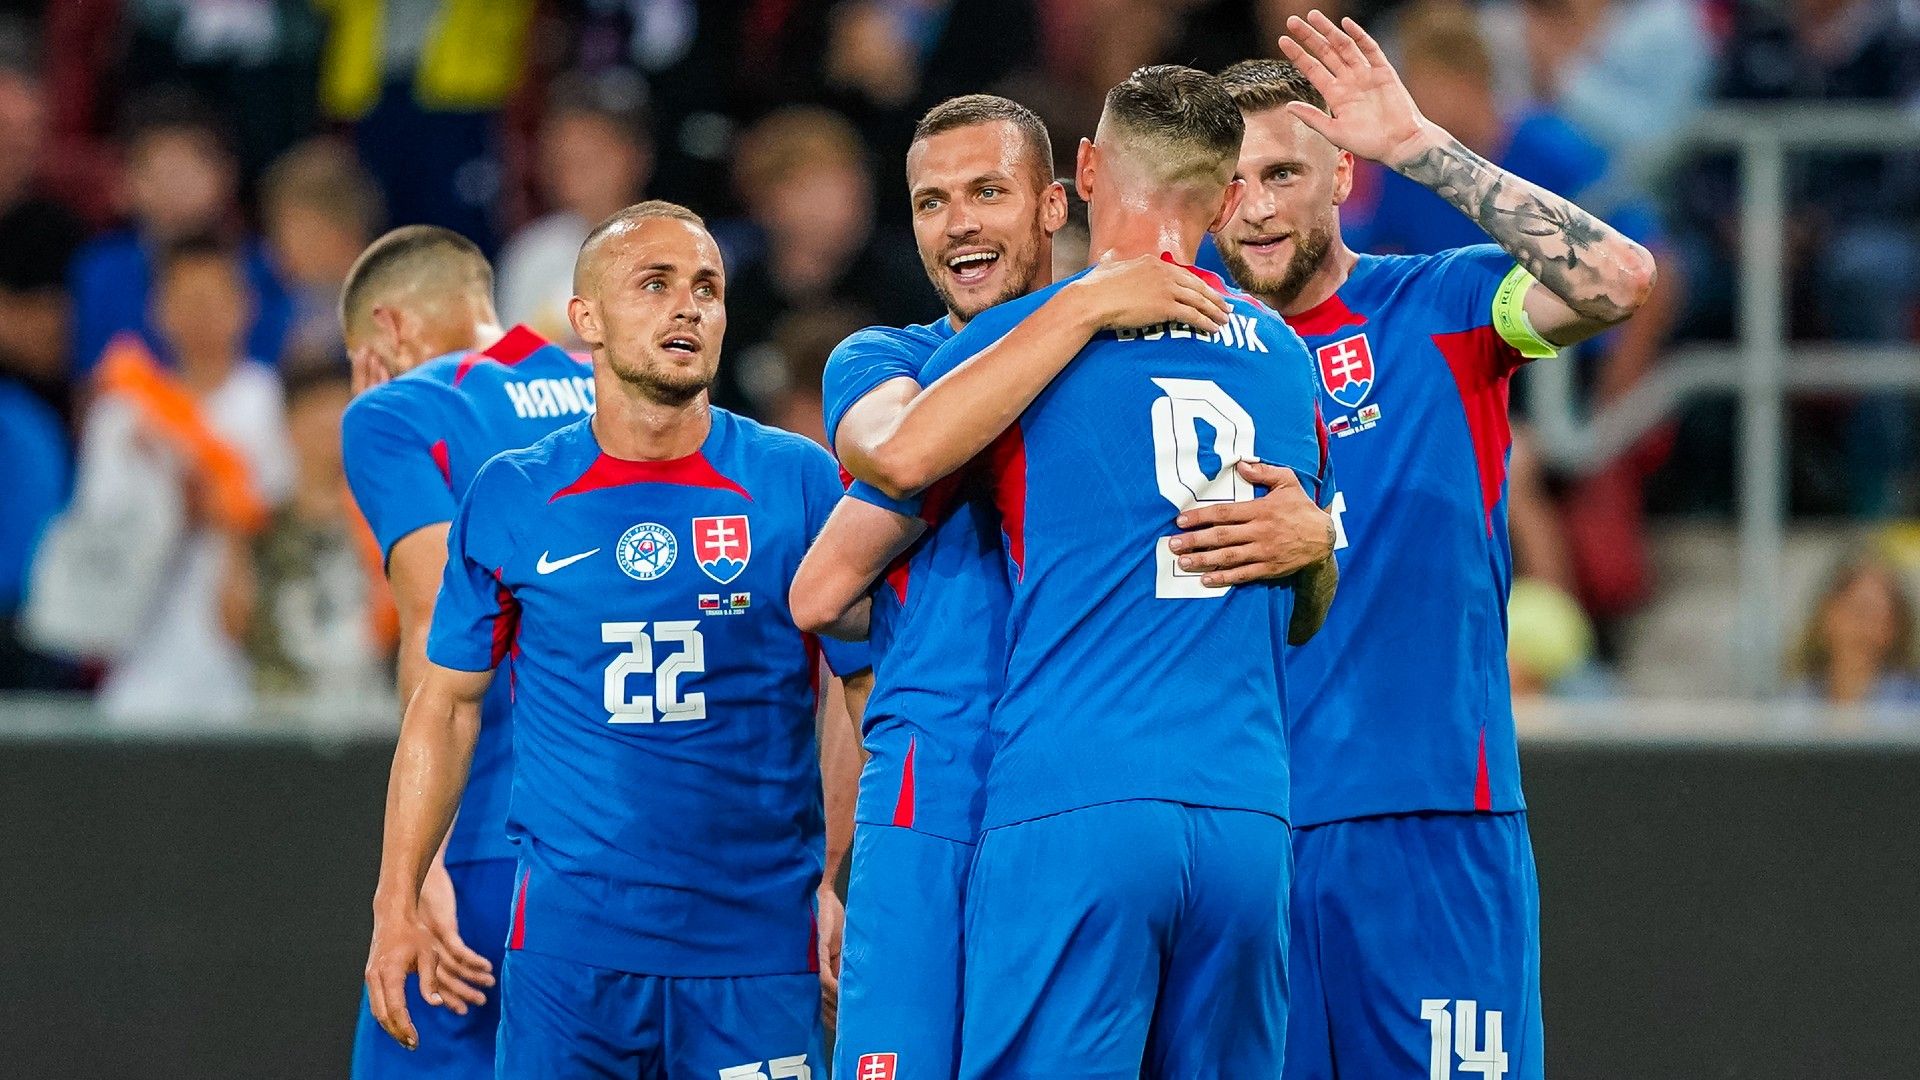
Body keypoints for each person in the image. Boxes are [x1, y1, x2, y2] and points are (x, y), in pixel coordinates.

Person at [792, 91, 1338, 1080]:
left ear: (1061, 198)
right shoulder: (898, 359)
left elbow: (830, 585)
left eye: (986, 192)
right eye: (928, 203)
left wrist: (1314, 547)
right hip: (947, 791)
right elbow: (844, 546)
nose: (957, 222)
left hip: (1058, 793)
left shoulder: (1073, 358)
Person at [1198, 17, 1656, 1079]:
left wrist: (1420, 144)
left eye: (1281, 171)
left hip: (1429, 815)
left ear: (1342, 173)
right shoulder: (1171, 357)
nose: (1257, 206)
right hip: (1240, 839)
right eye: (1229, 180)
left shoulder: (1438, 304)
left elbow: (1618, 281)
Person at [363, 202, 870, 1077]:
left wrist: (826, 874)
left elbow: (861, 690)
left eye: (707, 288)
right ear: (585, 319)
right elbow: (443, 706)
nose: (689, 307)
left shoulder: (799, 481)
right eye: (655, 284)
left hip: (752, 952)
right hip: (569, 959)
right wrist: (396, 896)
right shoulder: (515, 493)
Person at [337, 224, 599, 1078]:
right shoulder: (614, 390)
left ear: (390, 329)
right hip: (628, 840)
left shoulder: (399, 409)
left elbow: (433, 616)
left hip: (490, 831)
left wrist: (422, 864)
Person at [69, 92, 291, 375]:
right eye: (157, 171)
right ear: (125, 182)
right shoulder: (101, 269)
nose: (173, 186)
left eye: (187, 168)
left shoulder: (265, 267)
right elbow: (90, 378)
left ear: (226, 175)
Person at [225, 359, 393, 712]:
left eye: (340, 411)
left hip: (368, 716)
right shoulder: (260, 523)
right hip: (279, 720)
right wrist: (233, 544)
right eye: (315, 413)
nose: (328, 428)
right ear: (289, 424)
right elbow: (233, 625)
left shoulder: (390, 520)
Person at [496, 69, 653, 347]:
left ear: (634, 157)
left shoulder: (678, 247)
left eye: (588, 155)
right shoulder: (534, 252)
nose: (571, 173)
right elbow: (508, 366)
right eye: (562, 158)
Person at [1789, 552, 1920, 725]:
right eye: (1859, 612)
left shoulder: (1910, 709)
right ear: (1827, 614)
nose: (1865, 631)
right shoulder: (1793, 705)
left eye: (1879, 618)